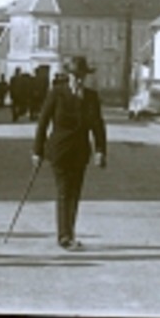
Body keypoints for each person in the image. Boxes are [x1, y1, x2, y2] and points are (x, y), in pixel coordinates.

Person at [32, 55, 107, 251]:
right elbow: (43, 122)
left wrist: (100, 150)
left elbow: (98, 126)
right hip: (59, 151)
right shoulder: (56, 93)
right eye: (75, 75)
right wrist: (37, 150)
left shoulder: (91, 97)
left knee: (74, 193)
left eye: (82, 75)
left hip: (80, 152)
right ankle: (64, 236)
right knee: (64, 192)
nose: (79, 79)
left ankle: (69, 232)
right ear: (68, 76)